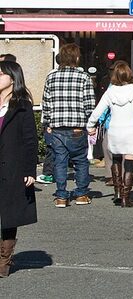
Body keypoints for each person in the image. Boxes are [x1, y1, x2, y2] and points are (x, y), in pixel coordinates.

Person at [87, 61, 133, 208]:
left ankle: (117, 192)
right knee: (129, 163)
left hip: (114, 130)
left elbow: (97, 111)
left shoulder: (110, 92)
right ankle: (126, 197)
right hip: (131, 130)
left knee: (116, 159)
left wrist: (90, 125)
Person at [42, 43, 94, 208]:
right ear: (76, 58)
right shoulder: (83, 77)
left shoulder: (51, 77)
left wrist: (48, 123)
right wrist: (91, 124)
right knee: (80, 161)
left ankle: (61, 196)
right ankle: (81, 194)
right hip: (77, 127)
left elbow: (46, 103)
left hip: (57, 127)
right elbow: (89, 105)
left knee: (60, 161)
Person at [0, 61, 38, 278]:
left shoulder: (22, 106)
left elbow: (30, 140)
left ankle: (4, 259)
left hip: (12, 165)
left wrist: (29, 170)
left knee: (9, 213)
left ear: (12, 79)